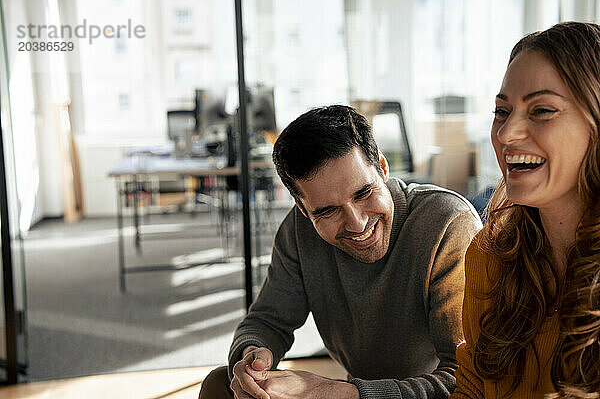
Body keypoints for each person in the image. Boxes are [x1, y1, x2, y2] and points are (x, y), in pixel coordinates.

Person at [200, 105, 481, 399]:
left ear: (382, 168)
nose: (358, 223)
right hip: (357, 391)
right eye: (328, 211)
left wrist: (333, 392)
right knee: (220, 384)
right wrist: (253, 359)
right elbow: (268, 320)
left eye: (363, 193)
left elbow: (465, 381)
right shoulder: (300, 230)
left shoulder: (447, 224)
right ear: (303, 209)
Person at [451, 22, 600, 398]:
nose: (505, 133)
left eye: (542, 110)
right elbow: (471, 386)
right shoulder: (491, 255)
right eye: (502, 111)